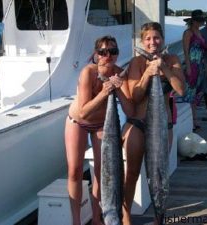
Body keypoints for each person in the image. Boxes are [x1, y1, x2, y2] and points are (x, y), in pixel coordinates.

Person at [65, 35, 133, 225]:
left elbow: (130, 110)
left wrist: (118, 89)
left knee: (101, 172)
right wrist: (104, 91)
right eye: (103, 52)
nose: (108, 55)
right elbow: (84, 112)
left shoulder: (121, 74)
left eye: (112, 51)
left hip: (103, 124)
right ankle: (76, 221)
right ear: (96, 54)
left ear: (117, 54)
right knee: (74, 170)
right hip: (77, 122)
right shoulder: (88, 72)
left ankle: (96, 219)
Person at [122, 22, 185, 225]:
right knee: (131, 172)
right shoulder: (136, 63)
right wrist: (148, 73)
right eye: (148, 38)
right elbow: (135, 96)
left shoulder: (172, 59)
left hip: (161, 126)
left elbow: (181, 90)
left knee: (159, 173)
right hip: (138, 124)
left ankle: (160, 219)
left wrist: (163, 67)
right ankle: (125, 217)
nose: (152, 42)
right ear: (142, 41)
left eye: (156, 37)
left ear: (163, 39)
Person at [182, 9, 207, 131]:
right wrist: (188, 67)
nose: (201, 23)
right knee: (191, 94)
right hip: (192, 65)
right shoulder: (188, 33)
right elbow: (186, 51)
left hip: (200, 65)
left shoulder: (199, 32)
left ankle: (194, 120)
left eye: (202, 20)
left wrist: (204, 66)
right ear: (193, 21)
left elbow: (203, 50)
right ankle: (192, 122)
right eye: (199, 20)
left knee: (198, 93)